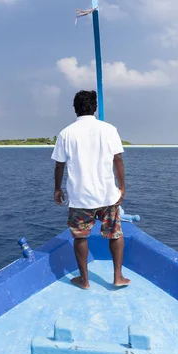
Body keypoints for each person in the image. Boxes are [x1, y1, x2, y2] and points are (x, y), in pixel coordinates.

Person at [51, 90, 129, 289]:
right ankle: (118, 277)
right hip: (107, 196)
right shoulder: (109, 129)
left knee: (80, 237)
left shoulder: (66, 133)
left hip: (80, 198)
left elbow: (59, 165)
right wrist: (122, 187)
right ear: (94, 108)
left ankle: (84, 281)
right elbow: (117, 159)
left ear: (75, 109)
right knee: (115, 234)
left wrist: (57, 189)